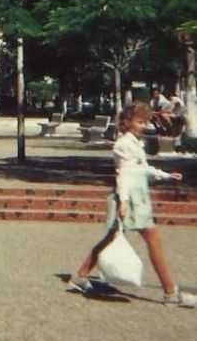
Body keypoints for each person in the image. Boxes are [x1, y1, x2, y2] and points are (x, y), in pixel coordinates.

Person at [67, 102, 195, 307]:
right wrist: (124, 201)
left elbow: (142, 168)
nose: (143, 125)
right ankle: (170, 292)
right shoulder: (123, 144)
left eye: (145, 122)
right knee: (152, 240)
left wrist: (166, 175)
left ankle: (79, 276)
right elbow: (124, 174)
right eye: (139, 121)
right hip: (131, 198)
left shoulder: (134, 142)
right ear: (127, 122)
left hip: (138, 196)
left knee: (111, 238)